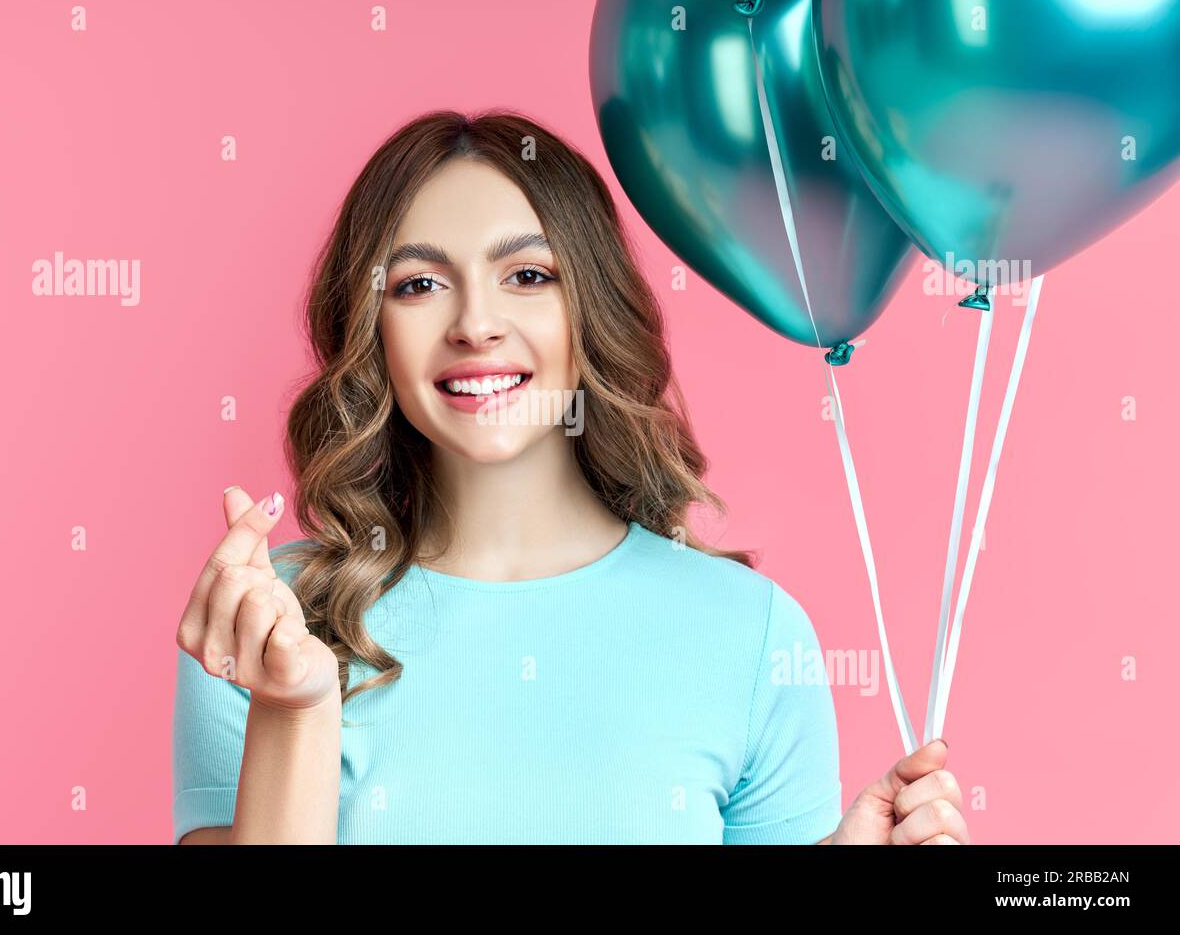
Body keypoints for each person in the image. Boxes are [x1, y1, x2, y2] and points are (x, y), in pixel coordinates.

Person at [171, 109, 969, 845]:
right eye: (418, 284)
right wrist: (295, 707)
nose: (475, 323)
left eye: (527, 275)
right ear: (370, 329)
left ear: (591, 306)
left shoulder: (752, 635)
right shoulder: (268, 624)